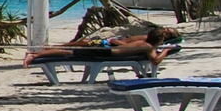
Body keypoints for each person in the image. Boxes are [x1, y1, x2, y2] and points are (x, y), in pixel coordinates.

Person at [23, 26, 179, 67]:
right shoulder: (148, 46)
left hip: (105, 48)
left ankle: (36, 53)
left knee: (71, 50)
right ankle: (36, 55)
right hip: (105, 51)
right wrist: (165, 50)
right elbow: (156, 61)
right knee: (69, 51)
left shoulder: (145, 43)